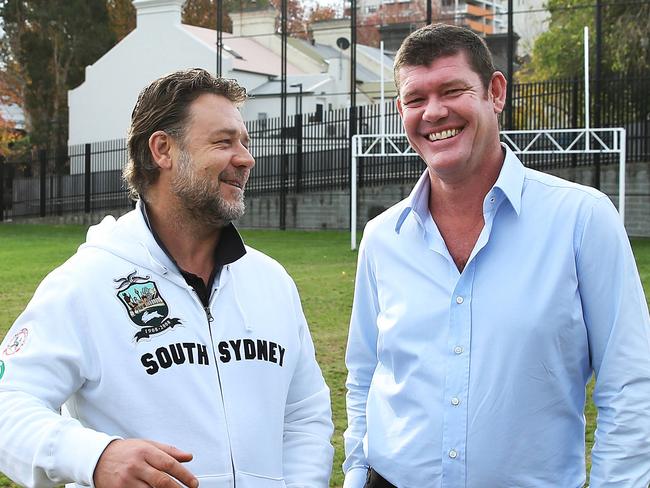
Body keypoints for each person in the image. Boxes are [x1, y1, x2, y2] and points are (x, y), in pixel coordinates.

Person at [343, 24, 650, 488]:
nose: (434, 112)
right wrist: (356, 473)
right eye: (415, 98)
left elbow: (630, 385)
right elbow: (365, 373)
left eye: (452, 90)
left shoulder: (582, 220)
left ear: (496, 92)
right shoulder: (383, 237)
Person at [0, 68, 334, 488]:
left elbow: (304, 414)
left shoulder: (271, 281)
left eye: (245, 143)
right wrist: (94, 456)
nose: (247, 158)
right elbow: (8, 404)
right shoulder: (86, 282)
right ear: (163, 150)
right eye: (224, 141)